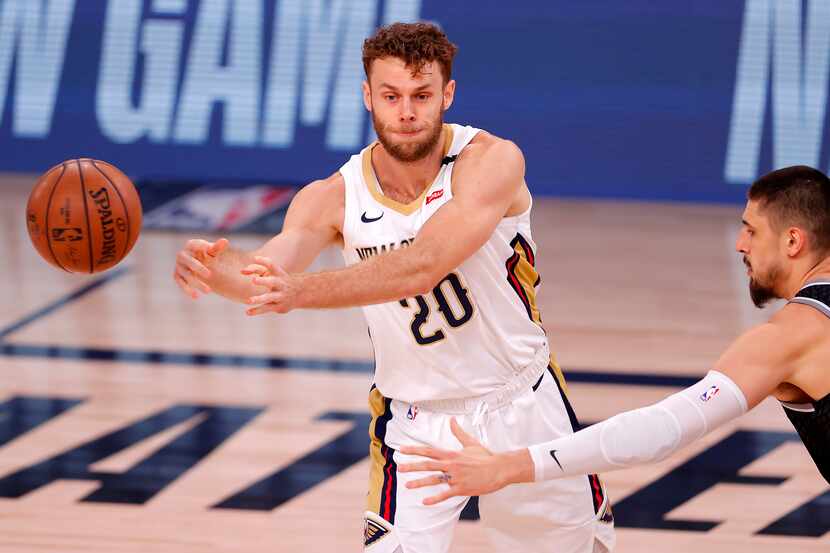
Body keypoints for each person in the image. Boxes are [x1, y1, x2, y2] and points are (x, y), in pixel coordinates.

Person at [173, 22, 614, 553]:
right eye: (391, 96)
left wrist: (300, 291)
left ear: (447, 94)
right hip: (413, 421)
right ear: (368, 96)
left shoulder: (491, 161)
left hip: (522, 402)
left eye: (422, 96)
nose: (406, 112)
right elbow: (266, 277)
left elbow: (422, 264)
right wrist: (210, 268)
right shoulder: (332, 196)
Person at [397, 165, 830, 507]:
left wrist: (509, 466)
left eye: (752, 229)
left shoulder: (787, 338)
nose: (740, 243)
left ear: (793, 241)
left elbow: (664, 430)